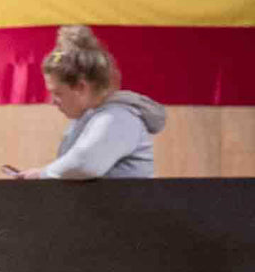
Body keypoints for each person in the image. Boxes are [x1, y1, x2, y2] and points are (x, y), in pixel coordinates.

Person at [14, 25, 166, 180]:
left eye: (58, 93)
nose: (52, 101)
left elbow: (84, 164)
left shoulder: (119, 118)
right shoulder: (88, 119)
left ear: (80, 87)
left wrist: (42, 174)